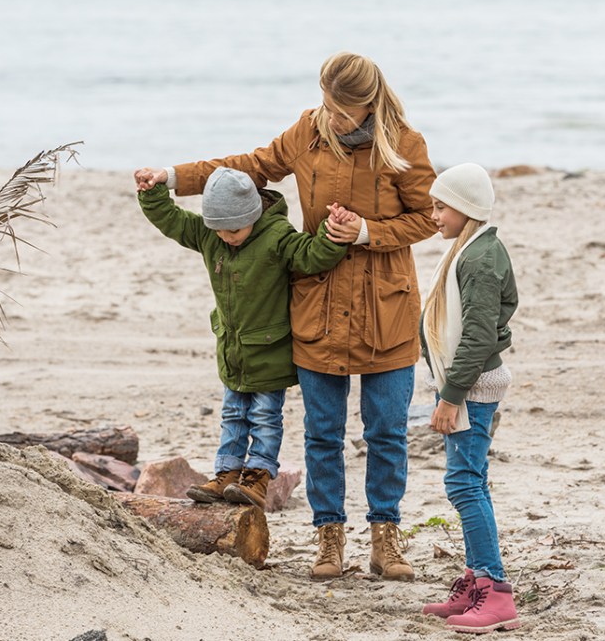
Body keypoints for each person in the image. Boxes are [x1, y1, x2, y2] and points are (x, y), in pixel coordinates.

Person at [134, 51, 438, 581]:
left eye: (342, 112)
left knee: (387, 431)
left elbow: (427, 218)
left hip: (387, 306)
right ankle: (329, 538)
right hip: (317, 305)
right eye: (326, 105)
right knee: (323, 434)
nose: (332, 118)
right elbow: (251, 167)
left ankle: (385, 538)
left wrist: (368, 233)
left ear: (368, 103)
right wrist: (174, 175)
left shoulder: (404, 144)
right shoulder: (307, 131)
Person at [135, 166, 347, 511]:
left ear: (252, 215)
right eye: (218, 230)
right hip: (232, 352)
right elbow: (173, 221)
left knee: (264, 415)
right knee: (232, 414)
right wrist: (153, 193)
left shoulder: (276, 237)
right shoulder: (210, 234)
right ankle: (227, 472)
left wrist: (332, 231)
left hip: (269, 352)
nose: (226, 237)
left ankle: (258, 475)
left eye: (233, 229)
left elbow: (312, 255)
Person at [419, 163, 520, 633]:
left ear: (464, 209)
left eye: (441, 206)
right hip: (468, 385)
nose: (433, 213)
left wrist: (450, 396)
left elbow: (477, 336)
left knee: (462, 484)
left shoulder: (480, 259)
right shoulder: (471, 249)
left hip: (472, 388)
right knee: (471, 480)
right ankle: (476, 577)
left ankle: (495, 590)